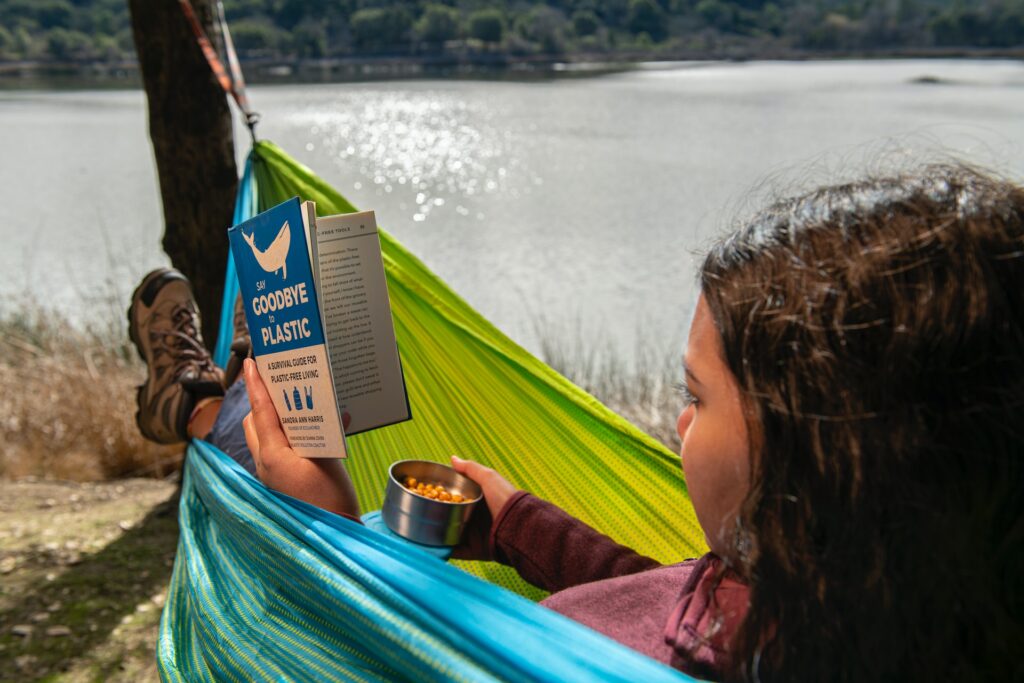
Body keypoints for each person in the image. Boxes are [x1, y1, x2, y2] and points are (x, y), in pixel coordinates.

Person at [129, 164, 1023, 681]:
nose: (678, 421)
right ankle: (213, 388)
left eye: (699, 395)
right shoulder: (803, 586)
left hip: (386, 620)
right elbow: (662, 588)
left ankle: (204, 397)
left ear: (823, 458)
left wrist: (323, 537)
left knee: (258, 448)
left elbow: (356, 665)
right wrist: (520, 525)